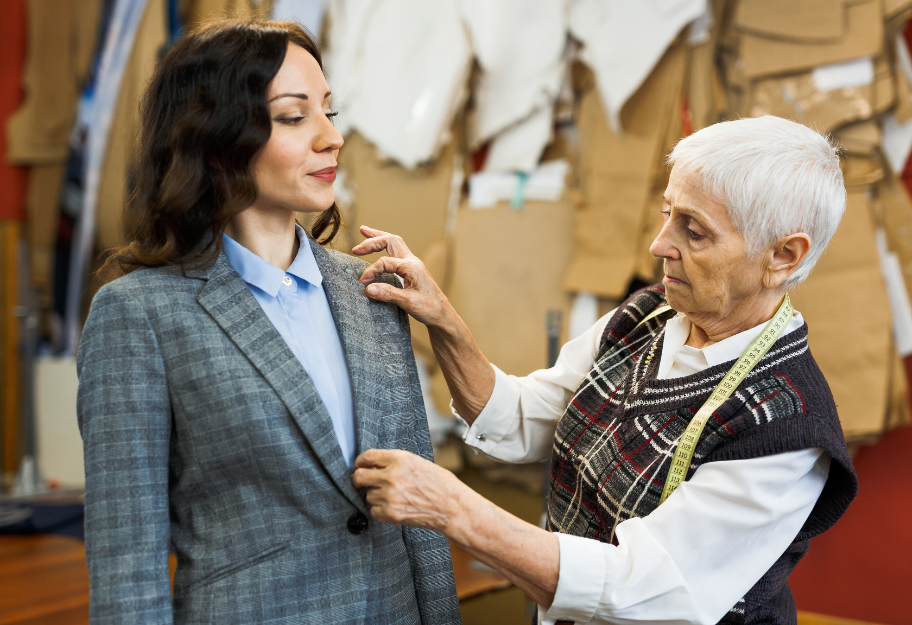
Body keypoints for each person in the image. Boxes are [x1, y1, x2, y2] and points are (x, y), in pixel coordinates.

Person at [350, 116, 859, 625]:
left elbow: (643, 588)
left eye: (694, 230)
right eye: (666, 213)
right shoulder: (648, 315)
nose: (659, 244)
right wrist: (443, 320)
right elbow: (523, 417)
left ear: (782, 257)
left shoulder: (787, 426)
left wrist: (453, 508)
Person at [77, 20, 459, 624]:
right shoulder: (138, 315)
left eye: (329, 111)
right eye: (293, 116)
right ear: (217, 135)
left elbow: (423, 518)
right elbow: (129, 564)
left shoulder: (371, 290)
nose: (332, 137)